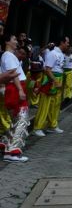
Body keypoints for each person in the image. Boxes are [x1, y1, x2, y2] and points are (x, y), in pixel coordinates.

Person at [0, 34, 29, 162]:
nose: (17, 42)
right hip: (15, 89)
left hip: (14, 89)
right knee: (21, 119)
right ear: (7, 42)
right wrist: (21, 90)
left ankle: (6, 146)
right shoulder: (9, 56)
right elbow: (14, 75)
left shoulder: (8, 56)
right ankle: (12, 152)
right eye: (14, 39)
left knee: (15, 120)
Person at [32, 36, 69, 137]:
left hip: (58, 80)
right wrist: (54, 81)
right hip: (50, 81)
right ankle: (37, 127)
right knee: (44, 105)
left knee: (55, 105)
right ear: (62, 42)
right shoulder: (53, 54)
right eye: (67, 42)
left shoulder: (61, 54)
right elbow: (47, 69)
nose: (68, 45)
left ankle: (52, 125)